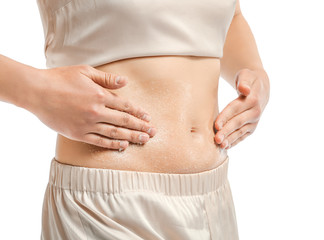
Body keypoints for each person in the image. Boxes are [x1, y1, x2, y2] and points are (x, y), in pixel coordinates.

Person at [0, 0, 270, 239]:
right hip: (104, 209)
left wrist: (254, 72)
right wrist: (36, 90)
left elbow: (230, 15)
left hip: (213, 200)